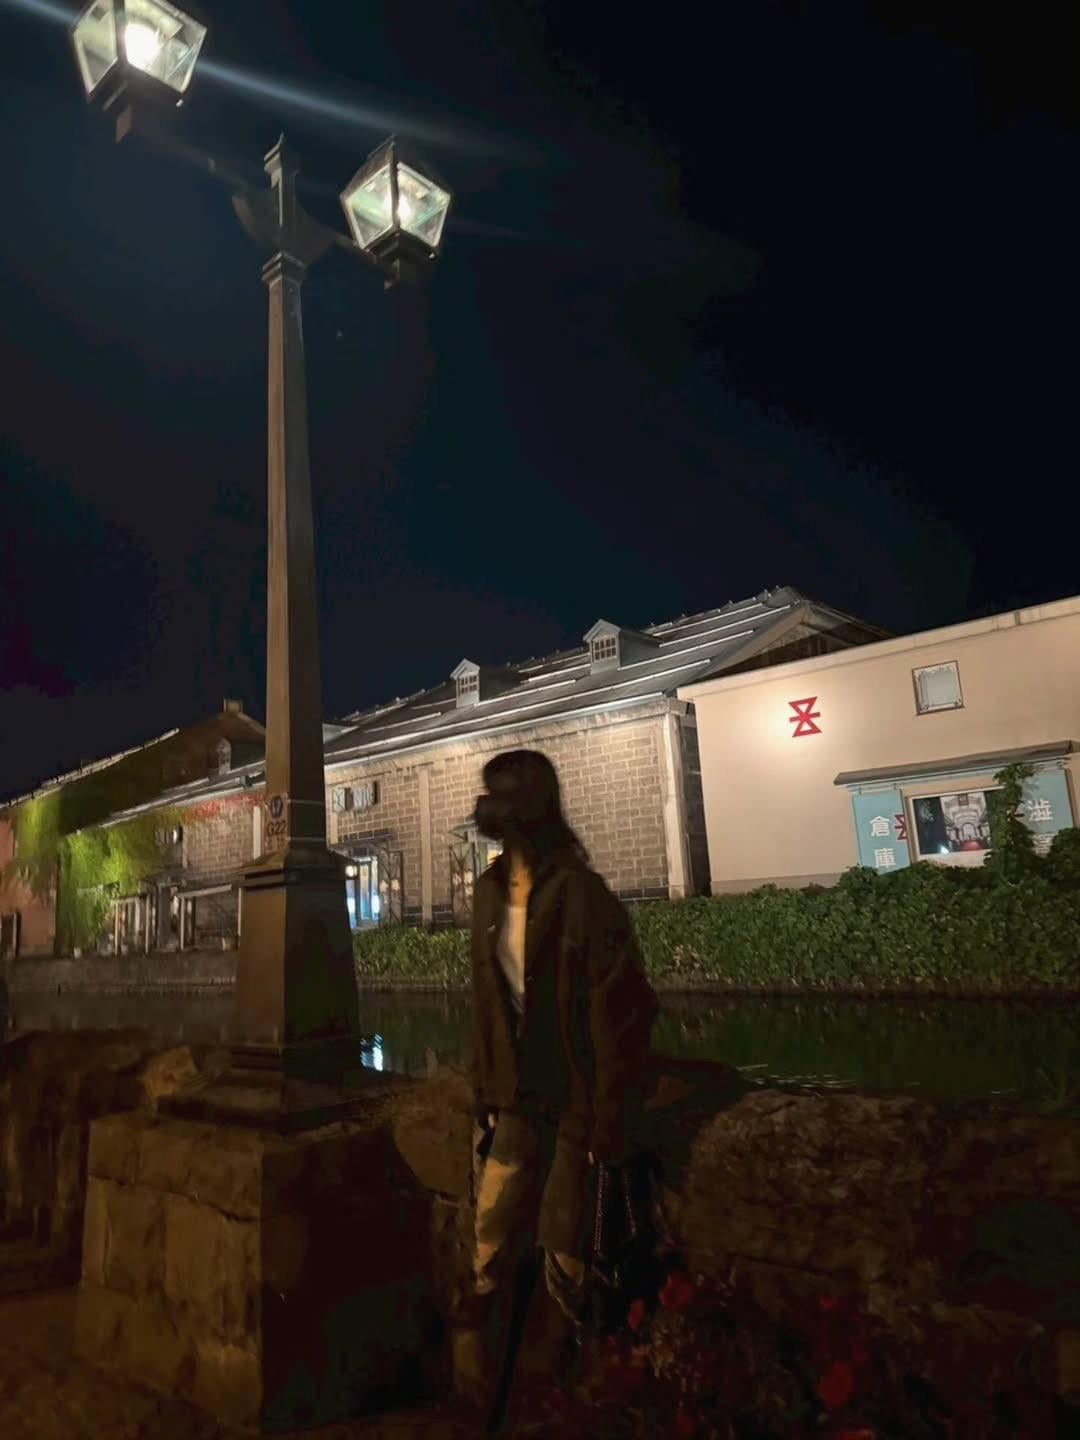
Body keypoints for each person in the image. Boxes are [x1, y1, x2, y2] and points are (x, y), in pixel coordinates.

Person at [461, 748, 659, 1422]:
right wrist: (484, 1094)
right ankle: (493, 1391)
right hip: (515, 1098)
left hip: (575, 1099)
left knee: (570, 1250)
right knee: (489, 1239)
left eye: (498, 794)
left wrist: (610, 1115)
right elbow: (487, 1005)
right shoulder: (489, 892)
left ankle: (573, 1398)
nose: (484, 808)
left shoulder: (581, 895)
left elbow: (621, 1010)